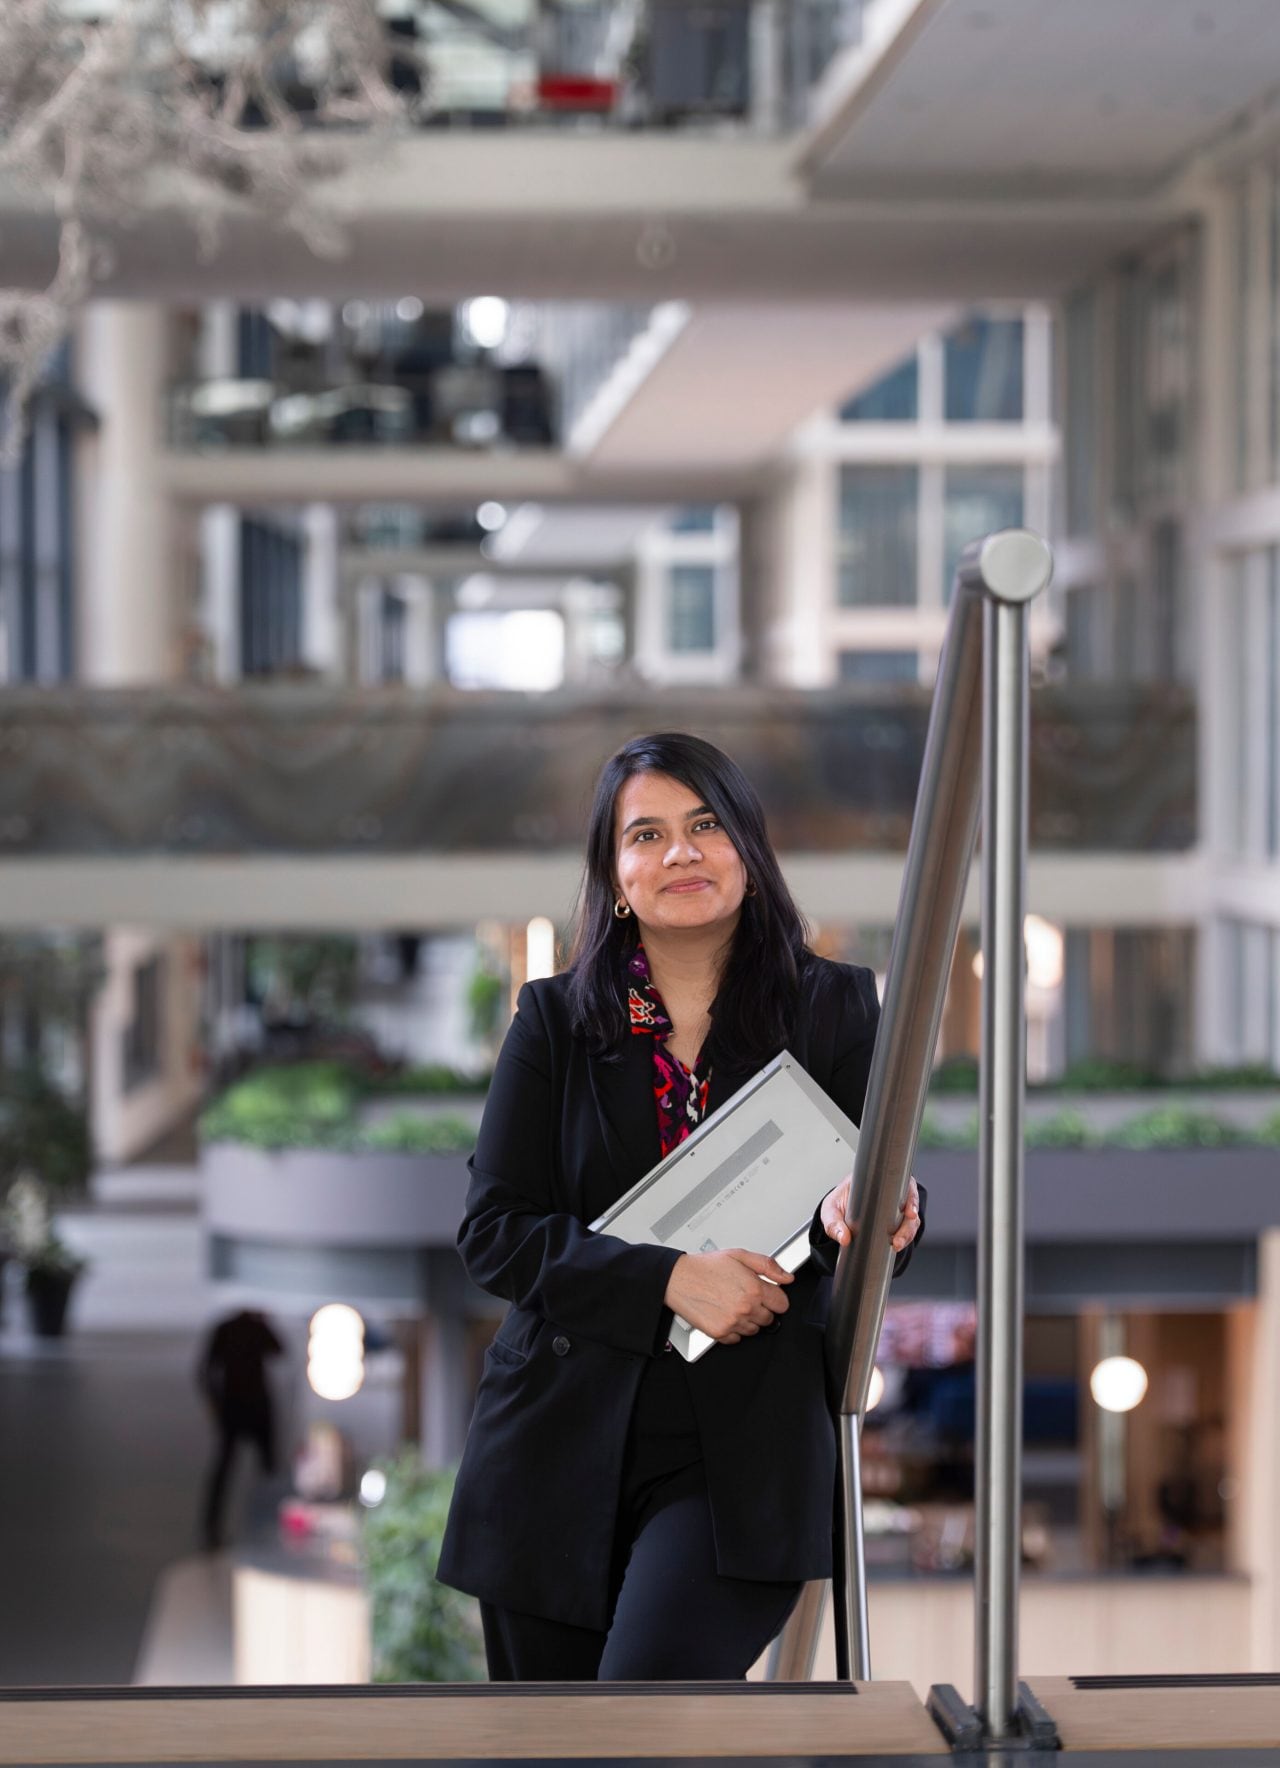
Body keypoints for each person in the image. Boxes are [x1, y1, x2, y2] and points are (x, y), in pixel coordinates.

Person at [437, 732, 924, 1680]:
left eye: (705, 825)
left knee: (645, 1722)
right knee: (554, 1746)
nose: (680, 854)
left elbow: (865, 1202)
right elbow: (492, 1232)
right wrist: (668, 1281)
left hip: (740, 1458)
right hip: (554, 1447)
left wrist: (881, 1215)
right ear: (616, 875)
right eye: (647, 835)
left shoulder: (832, 1008)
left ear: (747, 845)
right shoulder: (555, 1022)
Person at [197, 1307, 283, 1551]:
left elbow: (279, 1350)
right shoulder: (242, 1328)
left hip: (244, 1406)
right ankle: (260, 1525)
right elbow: (279, 1350)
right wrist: (214, 1404)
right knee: (251, 1469)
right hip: (245, 1406)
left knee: (254, 1470)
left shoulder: (234, 1328)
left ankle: (262, 1525)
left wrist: (214, 1404)